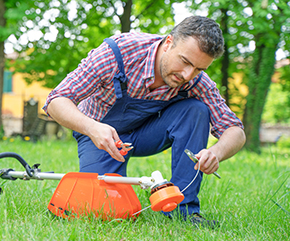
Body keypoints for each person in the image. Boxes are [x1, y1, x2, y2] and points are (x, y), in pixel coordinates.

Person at [43, 16, 246, 228]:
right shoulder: (117, 52)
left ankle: (183, 212)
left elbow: (235, 130)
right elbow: (56, 101)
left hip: (145, 134)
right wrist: (92, 128)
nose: (188, 74)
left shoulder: (195, 80)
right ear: (168, 43)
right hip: (99, 136)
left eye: (198, 69)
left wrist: (216, 153)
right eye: (185, 62)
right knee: (103, 210)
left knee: (196, 110)